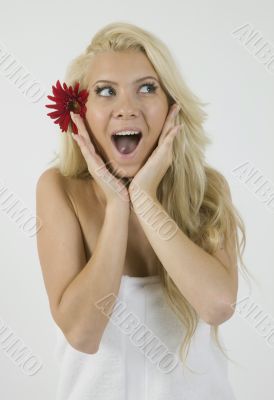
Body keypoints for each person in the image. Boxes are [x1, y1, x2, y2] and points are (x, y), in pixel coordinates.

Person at [36, 21, 249, 400]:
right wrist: (119, 205)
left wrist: (146, 201)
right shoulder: (59, 191)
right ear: (79, 111)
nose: (126, 109)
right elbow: (83, 334)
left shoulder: (208, 191)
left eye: (147, 88)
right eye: (105, 92)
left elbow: (218, 305)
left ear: (171, 106)